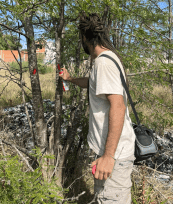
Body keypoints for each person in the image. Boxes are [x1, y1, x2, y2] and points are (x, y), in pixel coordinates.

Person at [59, 13, 135, 204]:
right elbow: (94, 84)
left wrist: (108, 156)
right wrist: (70, 79)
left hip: (114, 156)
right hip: (112, 152)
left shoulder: (103, 62)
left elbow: (117, 105)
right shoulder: (109, 58)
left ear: (85, 38)